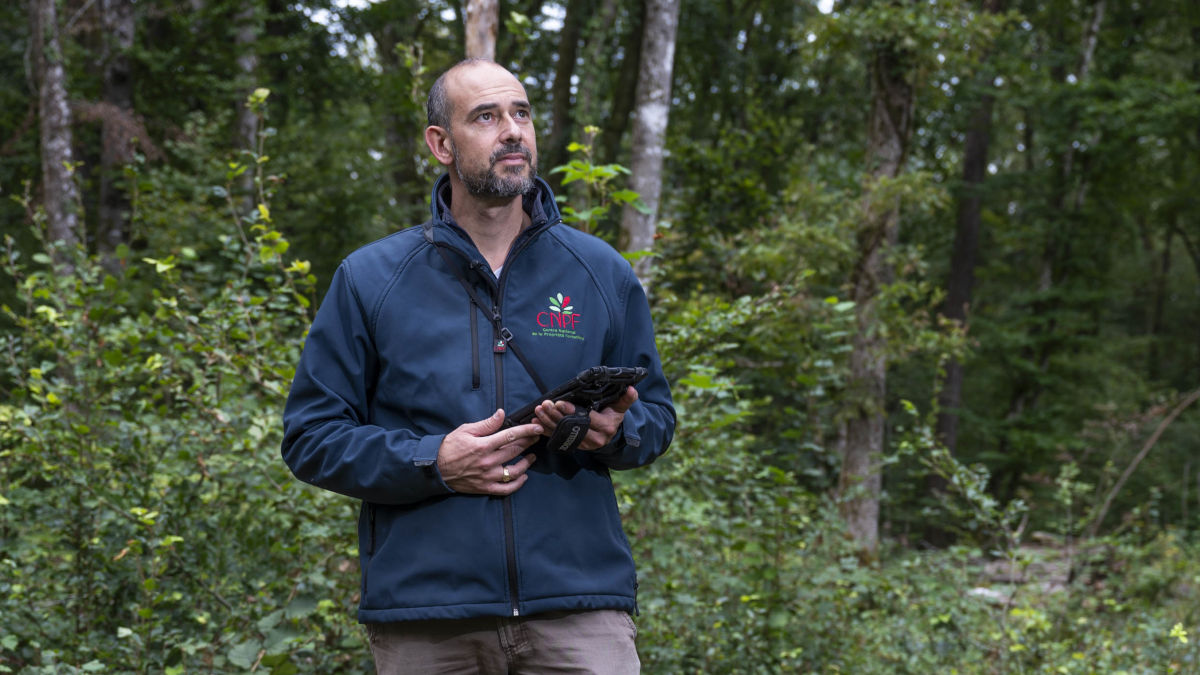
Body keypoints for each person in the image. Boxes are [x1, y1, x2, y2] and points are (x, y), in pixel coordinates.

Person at [280, 58, 676, 674]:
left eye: (521, 113)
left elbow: (656, 416)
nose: (512, 130)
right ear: (441, 143)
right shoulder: (371, 279)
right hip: (427, 619)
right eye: (487, 117)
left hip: (578, 612)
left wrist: (616, 434)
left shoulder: (600, 273)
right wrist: (433, 462)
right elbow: (311, 438)